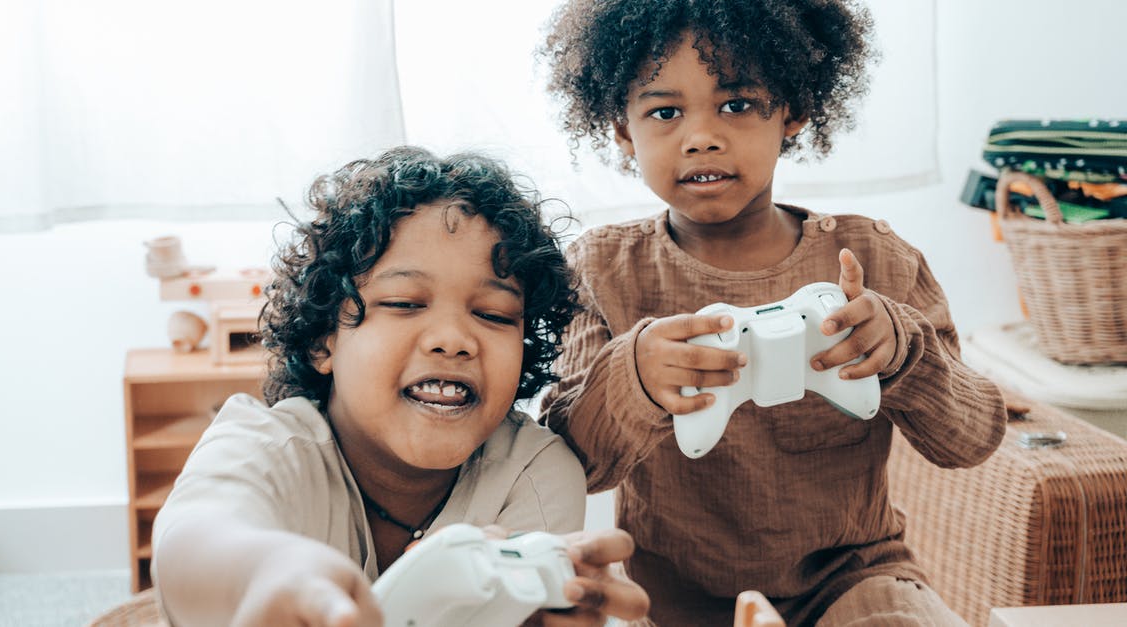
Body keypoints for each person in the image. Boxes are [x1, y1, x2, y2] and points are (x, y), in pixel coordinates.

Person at [535, 2, 1008, 625]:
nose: (701, 135)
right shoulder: (600, 271)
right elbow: (569, 466)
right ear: (623, 130)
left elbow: (972, 439)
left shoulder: (875, 258)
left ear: (793, 110)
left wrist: (902, 354)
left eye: (736, 104)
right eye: (664, 112)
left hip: (853, 581)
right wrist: (635, 380)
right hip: (673, 603)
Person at [151, 146, 650, 627]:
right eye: (405, 303)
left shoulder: (535, 474)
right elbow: (192, 538)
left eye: (493, 315)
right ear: (325, 341)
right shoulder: (265, 445)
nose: (454, 340)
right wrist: (264, 574)